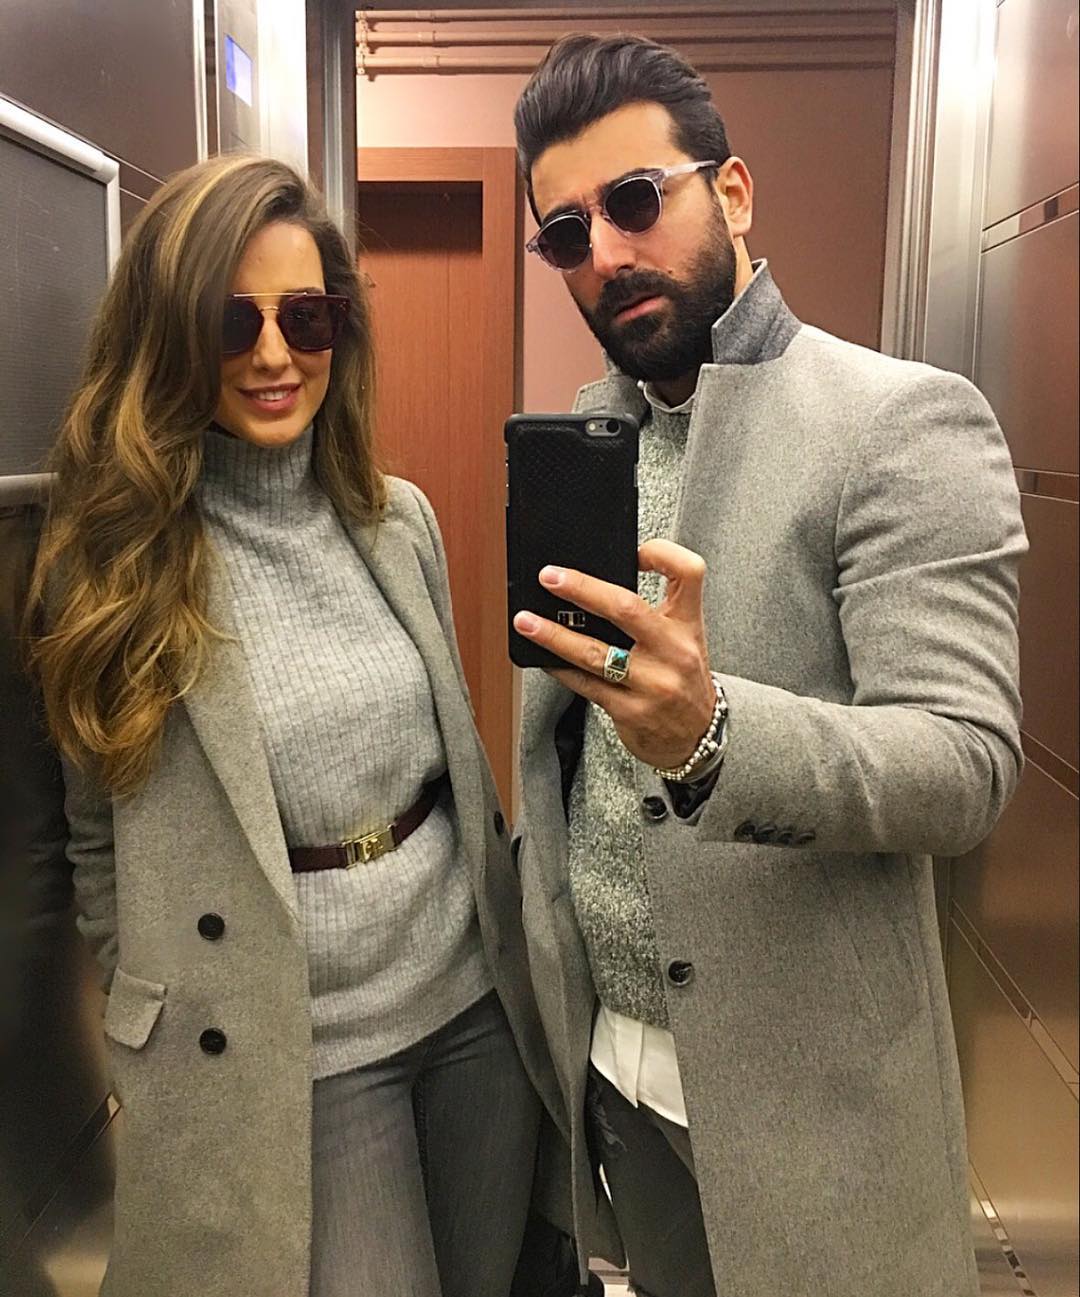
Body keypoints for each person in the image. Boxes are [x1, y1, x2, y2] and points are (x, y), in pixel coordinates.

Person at [510, 34, 1026, 1297]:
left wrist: (715, 738)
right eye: (566, 233)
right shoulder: (590, 434)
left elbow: (965, 765)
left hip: (812, 1102)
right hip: (613, 1071)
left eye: (636, 201)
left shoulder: (899, 420)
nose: (606, 252)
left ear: (731, 194)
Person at [26, 154, 569, 1297]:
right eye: (233, 322)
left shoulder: (397, 519)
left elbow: (452, 764)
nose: (275, 355)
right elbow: (93, 833)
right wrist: (162, 1000)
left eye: (306, 316)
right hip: (295, 1047)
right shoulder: (117, 561)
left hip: (471, 1004)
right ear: (171, 336)